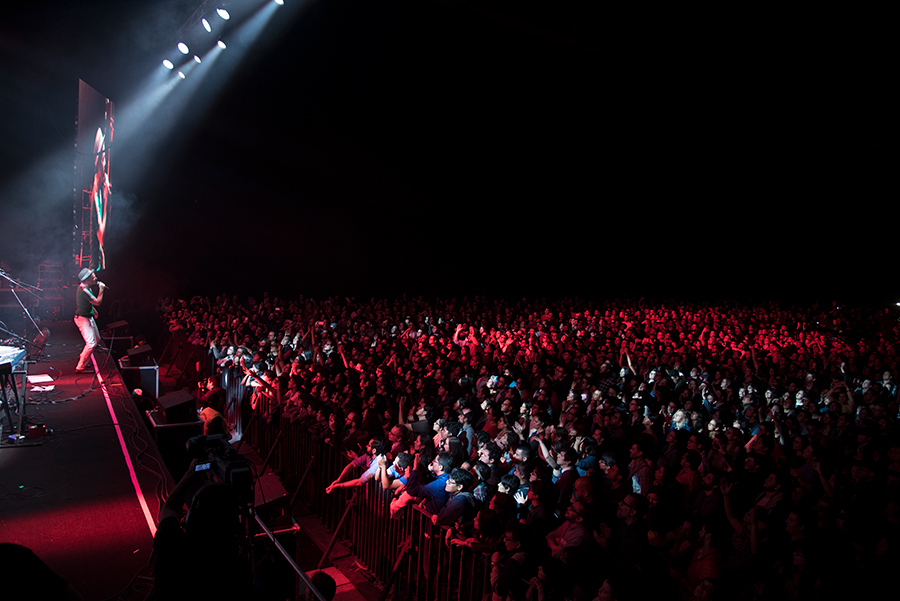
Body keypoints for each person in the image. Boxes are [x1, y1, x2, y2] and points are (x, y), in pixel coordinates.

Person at [74, 268, 106, 373]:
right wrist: (101, 290)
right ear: (87, 280)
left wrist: (93, 311)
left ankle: (82, 357)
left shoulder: (87, 288)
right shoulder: (84, 290)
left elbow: (87, 303)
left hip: (88, 317)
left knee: (96, 339)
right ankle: (80, 367)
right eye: (93, 277)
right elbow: (97, 302)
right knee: (91, 343)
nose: (95, 278)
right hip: (83, 319)